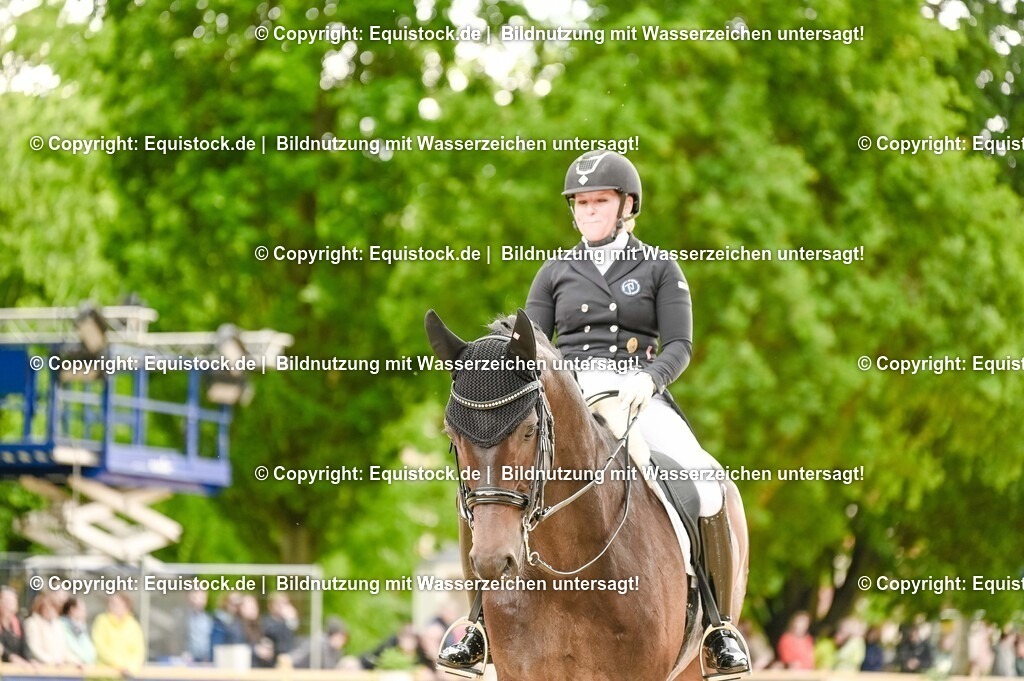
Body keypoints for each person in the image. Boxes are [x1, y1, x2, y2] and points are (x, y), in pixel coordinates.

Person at [438, 150, 750, 678]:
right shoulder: (555, 272)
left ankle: (718, 629)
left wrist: (648, 381)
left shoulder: (659, 268)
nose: (588, 211)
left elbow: (680, 345)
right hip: (567, 396)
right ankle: (479, 627)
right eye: (581, 203)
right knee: (493, 485)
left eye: (599, 201)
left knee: (703, 483)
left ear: (627, 206)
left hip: (637, 395)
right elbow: (528, 348)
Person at [92, 592, 145, 672]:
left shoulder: (133, 625)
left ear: (126, 605)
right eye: (111, 603)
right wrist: (119, 665)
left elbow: (139, 651)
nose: (112, 606)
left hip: (126, 676)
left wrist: (130, 667)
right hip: (103, 675)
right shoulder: (101, 621)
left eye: (116, 604)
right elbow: (100, 647)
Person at [24, 591, 68, 664]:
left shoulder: (58, 625)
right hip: (41, 667)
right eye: (47, 608)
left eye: (54, 608)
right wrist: (51, 661)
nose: (51, 611)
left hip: (59, 667)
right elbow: (34, 647)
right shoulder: (32, 623)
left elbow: (64, 649)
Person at [260, 592, 298, 666]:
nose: (282, 606)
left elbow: (291, 640)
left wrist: (291, 620)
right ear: (271, 605)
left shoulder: (287, 621)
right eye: (279, 603)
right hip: (271, 663)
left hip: (289, 660)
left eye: (285, 603)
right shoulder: (266, 620)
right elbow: (272, 633)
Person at [61, 597, 96, 665]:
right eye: (82, 610)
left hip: (84, 666)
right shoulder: (61, 625)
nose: (85, 613)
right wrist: (78, 661)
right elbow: (67, 649)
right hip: (70, 666)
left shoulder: (82, 628)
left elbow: (90, 650)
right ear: (72, 609)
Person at [0, 586, 29, 663]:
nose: (8, 604)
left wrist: (30, 660)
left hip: (18, 668)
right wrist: (10, 656)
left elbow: (24, 647)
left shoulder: (19, 622)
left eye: (12, 601)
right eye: (5, 600)